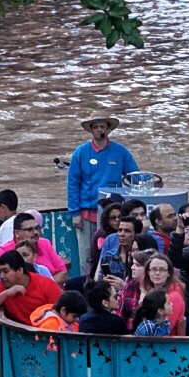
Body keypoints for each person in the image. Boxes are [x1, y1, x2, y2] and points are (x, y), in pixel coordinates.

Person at [67, 115, 139, 276]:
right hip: (86, 214)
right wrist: (75, 213)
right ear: (91, 130)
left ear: (108, 129)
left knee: (115, 252)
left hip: (113, 216)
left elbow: (134, 176)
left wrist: (149, 183)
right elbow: (73, 183)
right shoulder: (81, 152)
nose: (99, 130)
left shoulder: (120, 151)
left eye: (102, 127)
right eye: (96, 127)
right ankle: (88, 285)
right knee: (86, 255)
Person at [0, 250, 64, 326]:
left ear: (20, 270)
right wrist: (6, 294)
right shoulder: (2, 285)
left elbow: (63, 315)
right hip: (17, 339)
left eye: (5, 271)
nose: (1, 276)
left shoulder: (46, 284)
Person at [0, 212, 69, 285]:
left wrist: (44, 286)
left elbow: (63, 273)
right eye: (30, 230)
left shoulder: (44, 243)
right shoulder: (5, 250)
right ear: (17, 233)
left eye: (36, 228)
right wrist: (10, 272)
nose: (35, 232)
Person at [139, 253, 186, 334]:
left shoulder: (174, 296)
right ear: (148, 272)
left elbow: (164, 329)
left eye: (161, 270)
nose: (157, 273)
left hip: (165, 343)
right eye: (153, 269)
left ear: (168, 273)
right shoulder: (150, 291)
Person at [96, 217, 141, 281]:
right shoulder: (108, 256)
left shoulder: (142, 258)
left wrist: (123, 287)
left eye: (127, 231)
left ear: (136, 234)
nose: (122, 234)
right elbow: (98, 282)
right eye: (120, 230)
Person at [88, 200, 124, 278]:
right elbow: (94, 259)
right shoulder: (101, 234)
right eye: (113, 218)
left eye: (120, 217)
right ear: (107, 220)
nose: (117, 220)